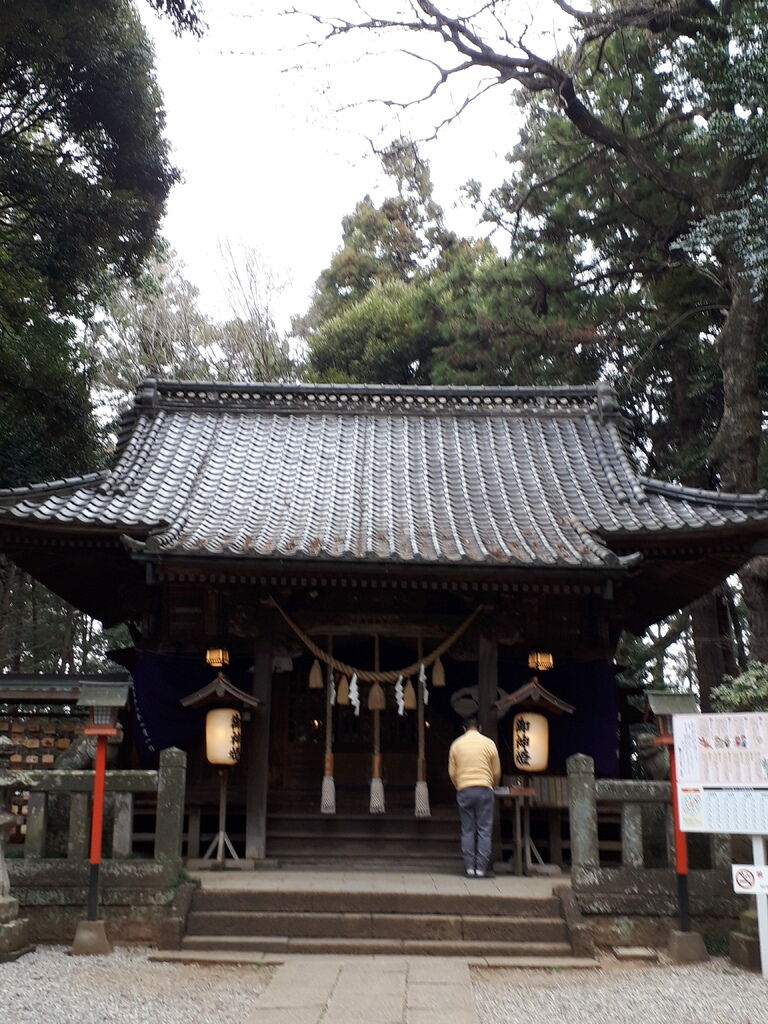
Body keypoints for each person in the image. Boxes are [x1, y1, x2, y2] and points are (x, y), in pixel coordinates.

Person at [448, 716, 501, 878]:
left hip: (464, 789)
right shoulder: (488, 743)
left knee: (468, 830)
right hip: (484, 788)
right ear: (480, 728)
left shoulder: (456, 745)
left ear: (464, 729)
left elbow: (452, 772)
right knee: (484, 830)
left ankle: (469, 868)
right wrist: (493, 786)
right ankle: (481, 869)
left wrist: (460, 786)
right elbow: (496, 771)